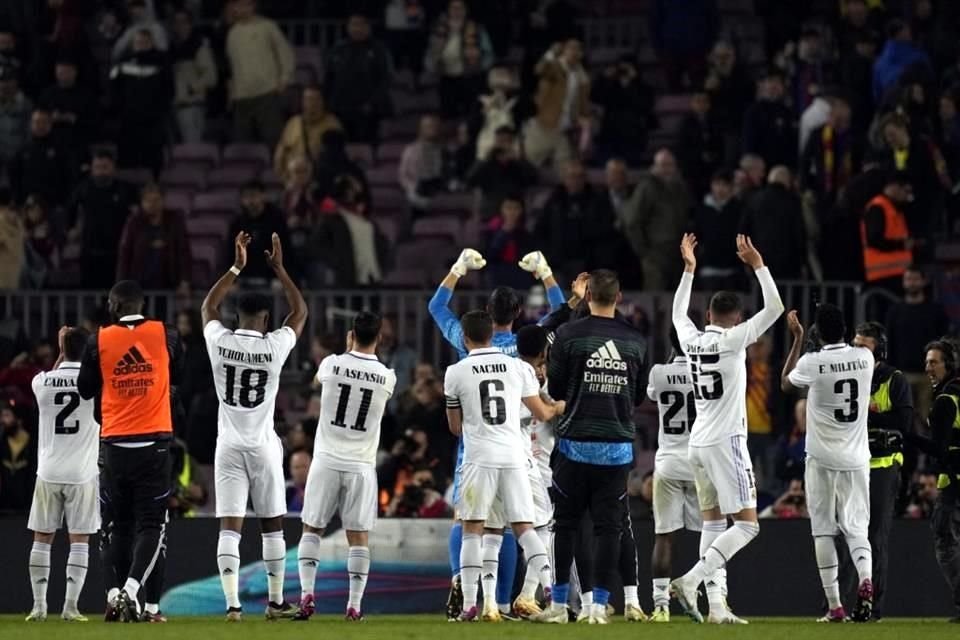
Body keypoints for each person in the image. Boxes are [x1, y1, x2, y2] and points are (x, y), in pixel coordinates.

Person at [429, 248, 566, 621]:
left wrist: (457, 270)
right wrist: (545, 272)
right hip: (523, 448)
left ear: (487, 317)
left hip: (474, 447)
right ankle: (517, 599)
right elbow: (561, 311)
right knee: (524, 526)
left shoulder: (463, 344)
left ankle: (468, 588)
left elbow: (436, 309)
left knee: (472, 523)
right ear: (518, 315)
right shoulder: (525, 350)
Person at [669, 233, 784, 624]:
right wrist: (758, 265)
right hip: (726, 442)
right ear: (736, 318)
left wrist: (689, 270)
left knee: (714, 522)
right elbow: (776, 307)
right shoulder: (736, 340)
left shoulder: (692, 341)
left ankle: (717, 607)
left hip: (697, 443)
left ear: (708, 317)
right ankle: (692, 581)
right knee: (748, 526)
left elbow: (676, 315)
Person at [202, 231, 307, 622]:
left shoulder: (219, 342)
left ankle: (232, 606)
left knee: (229, 527)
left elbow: (207, 308)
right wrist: (279, 268)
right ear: (265, 319)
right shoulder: (273, 346)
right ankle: (276, 602)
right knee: (271, 527)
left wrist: (235, 267)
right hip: (262, 444)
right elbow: (300, 314)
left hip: (227, 445)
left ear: (237, 315)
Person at [534, 269, 647, 624]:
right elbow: (639, 396)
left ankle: (558, 606)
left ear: (586, 296)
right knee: (608, 528)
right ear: (619, 296)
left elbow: (555, 390)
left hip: (573, 446)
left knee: (565, 525)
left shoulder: (568, 335)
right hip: (616, 448)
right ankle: (598, 606)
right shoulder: (635, 340)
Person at [77, 280, 183, 621]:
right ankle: (131, 592)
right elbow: (178, 374)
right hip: (154, 445)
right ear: (143, 303)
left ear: (113, 305)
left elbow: (85, 389)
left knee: (115, 526)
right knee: (151, 525)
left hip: (114, 446)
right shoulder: (166, 334)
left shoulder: (98, 341)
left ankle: (112, 595)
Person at [294, 312, 396, 621]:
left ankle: (306, 595)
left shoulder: (330, 364)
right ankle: (354, 606)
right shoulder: (387, 376)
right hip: (361, 465)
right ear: (378, 338)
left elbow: (316, 382)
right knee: (359, 536)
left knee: (312, 528)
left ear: (351, 335)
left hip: (326, 459)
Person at [781, 305, 876, 622]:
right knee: (857, 529)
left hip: (821, 458)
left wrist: (796, 339)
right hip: (857, 458)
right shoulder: (866, 358)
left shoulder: (812, 362)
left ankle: (835, 606)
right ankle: (865, 580)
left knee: (823, 530)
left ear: (818, 333)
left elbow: (785, 384)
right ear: (847, 329)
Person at [838, 321, 913, 620]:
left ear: (879, 351)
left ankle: (872, 610)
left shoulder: (894, 380)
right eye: (854, 345)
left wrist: (872, 415)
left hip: (882, 464)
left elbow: (904, 423)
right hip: (850, 463)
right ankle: (838, 606)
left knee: (874, 537)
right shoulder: (846, 376)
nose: (856, 351)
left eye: (863, 346)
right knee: (845, 535)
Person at [25, 327, 98, 622]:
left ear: (62, 350)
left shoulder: (41, 381)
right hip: (82, 472)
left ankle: (39, 607)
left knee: (42, 539)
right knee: (79, 541)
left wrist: (60, 352)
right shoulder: (95, 384)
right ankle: (70, 607)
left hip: (48, 471)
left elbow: (54, 375)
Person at [646, 326, 704, 623]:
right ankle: (718, 601)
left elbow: (652, 395)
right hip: (699, 462)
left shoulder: (659, 371)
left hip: (668, 461)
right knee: (712, 534)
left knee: (663, 536)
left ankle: (660, 607)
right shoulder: (707, 372)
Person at [916, 339, 960, 621]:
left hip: (954, 480)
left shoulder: (945, 400)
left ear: (948, 365)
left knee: (945, 540)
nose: (928, 367)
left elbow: (940, 448)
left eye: (934, 362)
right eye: (927, 362)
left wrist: (907, 437)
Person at [226, 0, 294, 148]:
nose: (242, 9)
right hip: (241, 96)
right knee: (242, 145)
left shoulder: (268, 26)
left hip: (267, 92)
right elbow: (233, 66)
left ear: (253, 6)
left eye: (246, 4)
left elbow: (286, 54)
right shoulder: (232, 33)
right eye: (239, 5)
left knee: (274, 140)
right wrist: (232, 92)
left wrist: (284, 79)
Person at [621, 149, 691, 291]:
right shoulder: (646, 188)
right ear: (655, 167)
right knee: (656, 295)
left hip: (678, 252)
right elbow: (632, 221)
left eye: (670, 165)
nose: (667, 169)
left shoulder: (680, 188)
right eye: (663, 165)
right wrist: (643, 251)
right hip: (655, 253)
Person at [886, 265, 949, 421]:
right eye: (908, 279)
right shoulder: (895, 311)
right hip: (902, 374)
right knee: (904, 420)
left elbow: (943, 343)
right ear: (903, 282)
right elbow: (890, 343)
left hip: (928, 375)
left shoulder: (936, 311)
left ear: (923, 281)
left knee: (927, 420)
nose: (912, 283)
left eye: (915, 279)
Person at [67, 148, 136, 289]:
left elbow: (136, 217)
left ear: (113, 168)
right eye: (97, 167)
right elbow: (71, 212)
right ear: (92, 168)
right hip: (89, 252)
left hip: (118, 253)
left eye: (105, 167)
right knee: (89, 294)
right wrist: (72, 229)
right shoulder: (82, 189)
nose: (101, 172)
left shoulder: (126, 190)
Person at [324, 14, 392, 148]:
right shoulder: (338, 49)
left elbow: (386, 80)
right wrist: (329, 104)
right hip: (340, 110)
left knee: (365, 147)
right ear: (348, 27)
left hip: (368, 111)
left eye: (361, 24)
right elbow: (329, 79)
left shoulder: (378, 49)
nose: (357, 28)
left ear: (368, 27)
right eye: (353, 24)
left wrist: (372, 103)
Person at [110, 28, 173, 174]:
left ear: (152, 42)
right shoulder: (122, 60)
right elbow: (114, 85)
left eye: (145, 42)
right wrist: (119, 107)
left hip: (153, 117)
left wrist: (160, 109)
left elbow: (169, 88)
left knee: (153, 153)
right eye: (138, 42)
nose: (141, 45)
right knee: (128, 152)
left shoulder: (162, 60)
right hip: (128, 116)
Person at [116, 183, 192, 296]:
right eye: (148, 200)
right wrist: (121, 285)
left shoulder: (174, 220)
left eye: (156, 200)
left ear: (162, 200)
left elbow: (183, 252)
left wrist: (185, 281)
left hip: (168, 281)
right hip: (139, 282)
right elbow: (125, 253)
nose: (152, 204)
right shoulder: (134, 222)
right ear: (142, 203)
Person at [274, 85, 342, 183]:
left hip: (321, 184)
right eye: (308, 99)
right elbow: (280, 154)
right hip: (294, 182)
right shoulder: (293, 123)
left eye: (316, 99)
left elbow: (337, 159)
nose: (312, 103)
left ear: (322, 101)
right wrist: (285, 179)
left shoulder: (333, 124)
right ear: (302, 102)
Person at [170, 9, 217, 144]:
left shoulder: (199, 46)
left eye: (184, 22)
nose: (180, 25)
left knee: (193, 147)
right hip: (178, 105)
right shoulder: (172, 48)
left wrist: (191, 88)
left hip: (193, 104)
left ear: (190, 24)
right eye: (177, 22)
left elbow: (211, 76)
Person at [861, 171, 913, 291]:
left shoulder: (895, 208)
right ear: (894, 187)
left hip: (896, 273)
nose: (908, 196)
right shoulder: (878, 207)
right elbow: (873, 239)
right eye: (906, 191)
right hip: (883, 275)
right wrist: (901, 245)